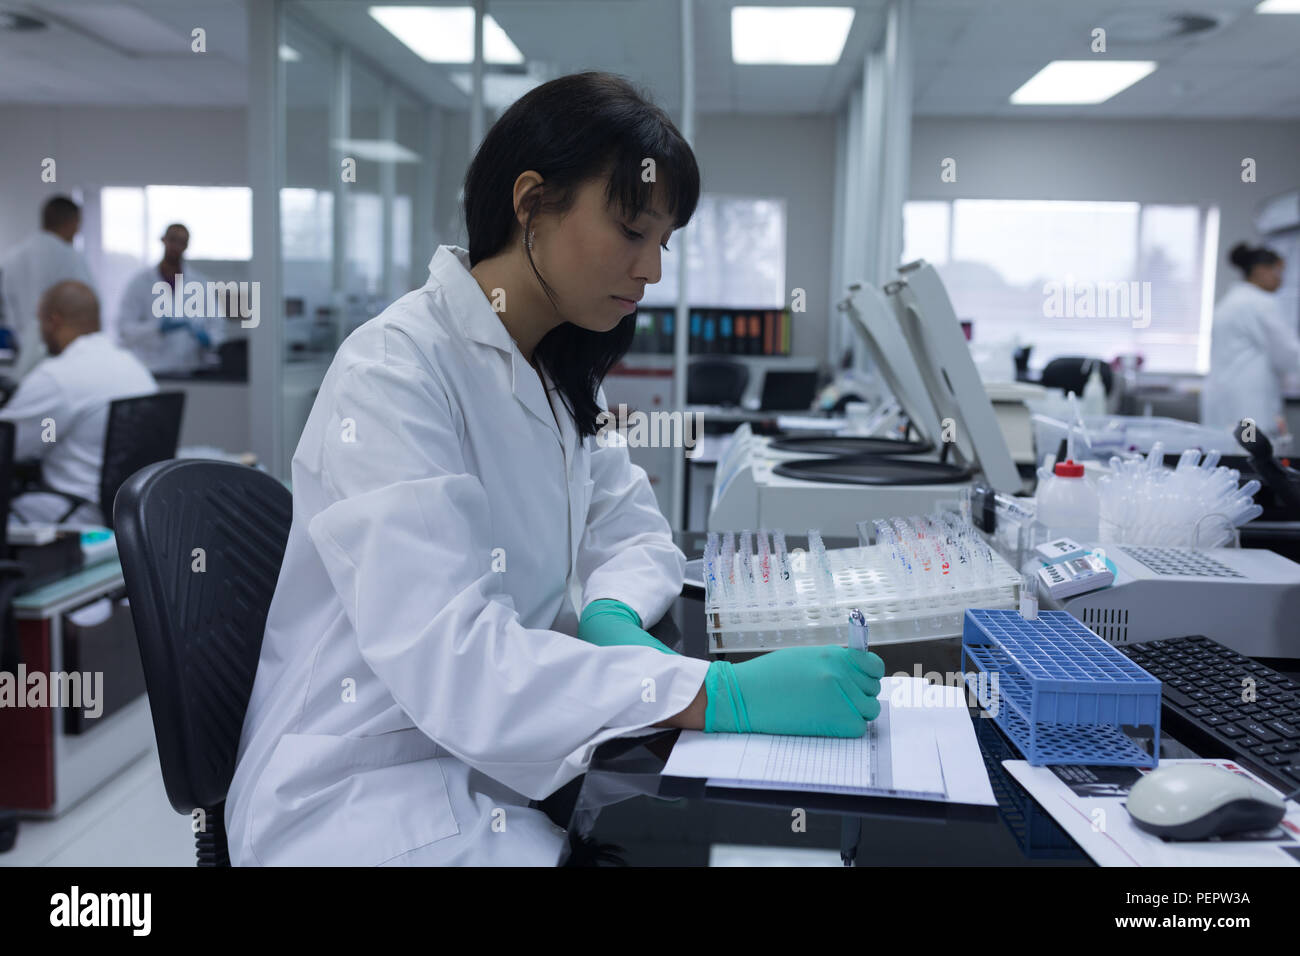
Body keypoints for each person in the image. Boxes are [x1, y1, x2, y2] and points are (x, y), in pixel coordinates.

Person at [224, 72, 884, 868]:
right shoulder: (395, 371)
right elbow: (458, 662)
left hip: (490, 763)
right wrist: (713, 695)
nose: (653, 272)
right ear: (532, 203)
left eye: (664, 243)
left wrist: (612, 614)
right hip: (366, 790)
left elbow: (634, 530)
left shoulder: (553, 372)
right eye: (633, 231)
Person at [0, 280, 157, 525]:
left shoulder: (57, 377)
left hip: (75, 510)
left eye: (40, 321)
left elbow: (7, 445)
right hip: (131, 513)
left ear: (54, 321)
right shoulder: (133, 366)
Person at [1201, 242, 1297, 437]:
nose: (1281, 280)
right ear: (1260, 271)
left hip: (1224, 402)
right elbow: (1288, 354)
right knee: (1250, 459)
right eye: (1278, 272)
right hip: (1249, 406)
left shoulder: (1231, 301)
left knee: (1227, 459)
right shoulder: (1261, 303)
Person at [0, 196, 96, 381]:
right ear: (72, 222)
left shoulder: (11, 257)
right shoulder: (71, 257)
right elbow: (87, 309)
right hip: (62, 358)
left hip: (23, 357)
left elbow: (7, 310)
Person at [116, 223, 225, 373]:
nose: (176, 246)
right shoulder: (140, 282)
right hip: (151, 368)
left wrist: (207, 338)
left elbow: (218, 328)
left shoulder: (200, 283)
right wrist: (156, 328)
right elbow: (124, 330)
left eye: (182, 242)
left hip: (191, 368)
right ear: (163, 240)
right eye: (172, 240)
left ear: (187, 246)